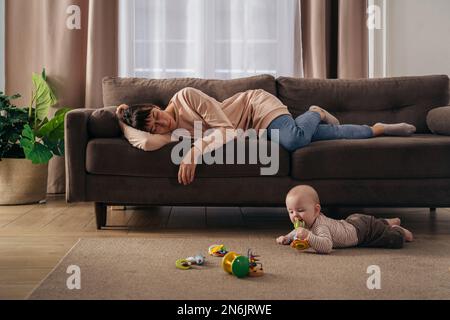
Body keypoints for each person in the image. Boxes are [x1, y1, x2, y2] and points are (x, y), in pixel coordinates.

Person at [116, 87, 417, 186]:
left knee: (295, 140)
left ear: (156, 106)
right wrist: (121, 114)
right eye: (154, 126)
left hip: (257, 108)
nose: (161, 123)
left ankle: (314, 111)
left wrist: (194, 152)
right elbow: (137, 137)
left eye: (156, 115)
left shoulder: (186, 96)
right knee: (320, 138)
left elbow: (228, 130)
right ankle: (377, 129)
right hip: (256, 131)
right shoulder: (171, 134)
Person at [276, 185, 414, 254]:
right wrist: (287, 237)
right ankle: (385, 222)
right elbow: (297, 232)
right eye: (291, 211)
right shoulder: (307, 223)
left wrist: (308, 236)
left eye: (300, 210)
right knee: (375, 223)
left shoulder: (320, 227)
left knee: (392, 239)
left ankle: (397, 229)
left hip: (362, 232)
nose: (295, 215)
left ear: (316, 210)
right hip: (352, 222)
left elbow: (326, 246)